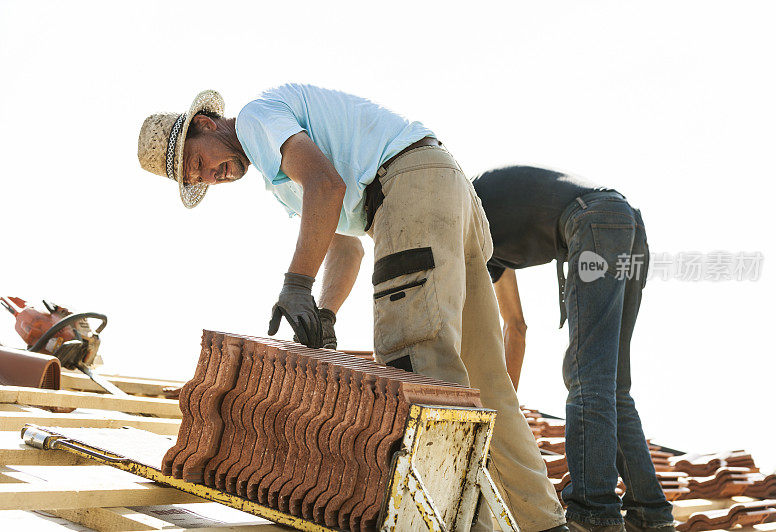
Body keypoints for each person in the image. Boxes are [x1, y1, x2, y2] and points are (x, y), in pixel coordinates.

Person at [137, 86, 567, 531]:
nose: (210, 176)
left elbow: (328, 186)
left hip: (409, 187)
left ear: (204, 125)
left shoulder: (254, 119)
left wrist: (296, 283)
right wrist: (324, 313)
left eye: (197, 163)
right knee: (486, 381)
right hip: (441, 183)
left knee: (419, 372)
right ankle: (545, 524)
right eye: (198, 180)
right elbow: (346, 249)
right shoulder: (283, 172)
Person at [471, 165, 675, 532]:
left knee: (587, 376)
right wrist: (503, 414)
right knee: (611, 383)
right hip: (623, 224)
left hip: (594, 222)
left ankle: (594, 512)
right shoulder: (488, 250)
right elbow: (515, 326)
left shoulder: (467, 207)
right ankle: (651, 514)